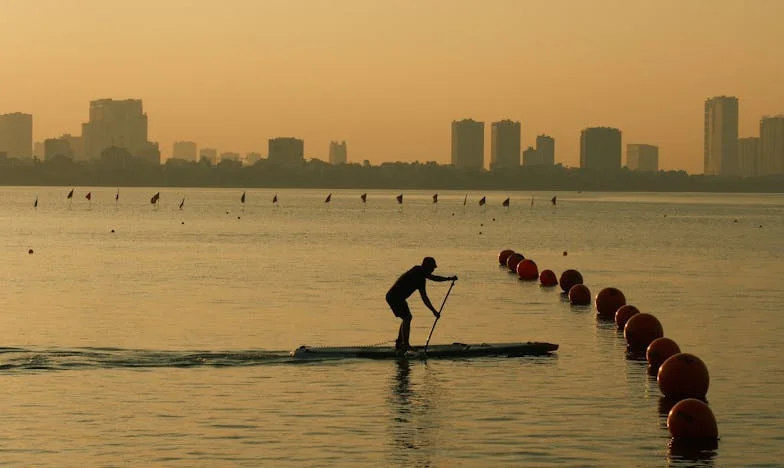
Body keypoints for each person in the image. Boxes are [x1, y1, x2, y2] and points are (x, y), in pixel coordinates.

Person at [386, 257, 458, 352]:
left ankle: (400, 343)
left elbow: (425, 297)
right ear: (426, 266)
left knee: (406, 318)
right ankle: (405, 345)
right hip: (394, 297)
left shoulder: (420, 277)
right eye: (432, 268)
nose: (433, 270)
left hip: (398, 298)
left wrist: (433, 311)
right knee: (407, 317)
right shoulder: (418, 271)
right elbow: (433, 278)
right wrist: (449, 279)